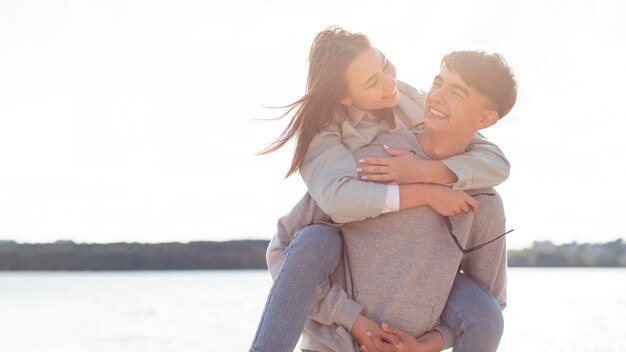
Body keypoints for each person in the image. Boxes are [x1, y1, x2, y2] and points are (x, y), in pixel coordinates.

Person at [249, 26, 516, 352]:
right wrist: (350, 317)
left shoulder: (483, 200)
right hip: (334, 344)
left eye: (457, 92)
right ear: (347, 96)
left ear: (486, 119)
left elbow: (488, 303)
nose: (437, 96)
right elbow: (288, 248)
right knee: (314, 238)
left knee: (486, 312)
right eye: (437, 82)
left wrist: (428, 344)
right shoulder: (377, 160)